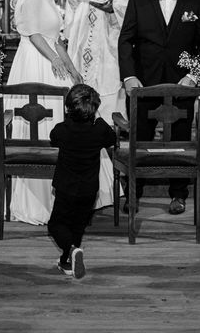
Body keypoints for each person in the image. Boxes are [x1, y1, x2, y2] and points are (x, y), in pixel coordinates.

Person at [0, 0, 119, 225]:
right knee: (39, 118)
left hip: (49, 59)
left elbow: (56, 39)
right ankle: (36, 198)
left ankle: (62, 193)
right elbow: (34, 35)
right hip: (34, 63)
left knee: (58, 118)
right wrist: (55, 62)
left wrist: (72, 70)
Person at [118, 0, 200, 215]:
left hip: (181, 83)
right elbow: (126, 40)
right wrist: (129, 76)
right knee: (140, 139)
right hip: (144, 83)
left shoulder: (195, 1)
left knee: (180, 141)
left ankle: (179, 194)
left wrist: (193, 75)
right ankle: (134, 194)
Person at [48, 84, 117, 279]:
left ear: (67, 108)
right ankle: (67, 261)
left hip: (65, 187)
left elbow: (53, 139)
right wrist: (100, 118)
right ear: (94, 109)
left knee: (55, 225)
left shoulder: (62, 129)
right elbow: (112, 139)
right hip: (88, 189)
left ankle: (71, 251)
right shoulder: (100, 130)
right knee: (77, 226)